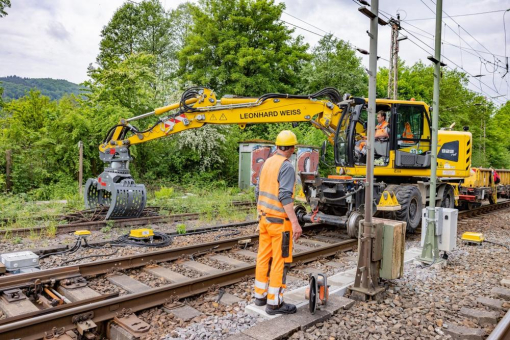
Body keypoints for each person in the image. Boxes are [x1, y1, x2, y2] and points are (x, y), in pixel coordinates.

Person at [254, 130, 302, 315]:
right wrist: (295, 222)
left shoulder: (268, 162)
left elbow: (258, 191)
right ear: (291, 148)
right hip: (280, 224)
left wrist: (260, 215)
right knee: (279, 261)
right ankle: (274, 303)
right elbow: (284, 196)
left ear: (277, 146)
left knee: (263, 258)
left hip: (265, 220)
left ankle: (260, 296)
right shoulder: (286, 166)